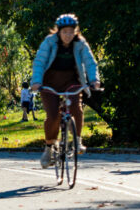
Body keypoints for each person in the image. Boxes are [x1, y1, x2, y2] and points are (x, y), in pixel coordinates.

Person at [30, 13, 101, 168]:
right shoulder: (49, 42)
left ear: (75, 31)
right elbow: (39, 62)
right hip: (49, 83)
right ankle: (49, 148)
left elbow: (90, 62)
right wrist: (36, 82)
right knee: (53, 116)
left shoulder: (80, 43)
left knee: (76, 107)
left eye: (71, 32)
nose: (68, 35)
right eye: (65, 32)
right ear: (58, 31)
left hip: (71, 81)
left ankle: (77, 141)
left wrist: (94, 80)